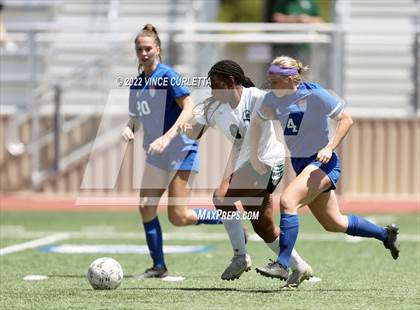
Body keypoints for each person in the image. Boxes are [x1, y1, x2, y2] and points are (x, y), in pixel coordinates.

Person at [250, 56, 400, 286]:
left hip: (323, 162)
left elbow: (346, 120)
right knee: (334, 223)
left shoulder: (315, 94)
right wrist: (254, 155)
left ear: (290, 78)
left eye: (275, 80)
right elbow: (257, 123)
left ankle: (281, 264)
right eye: (269, 80)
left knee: (288, 201)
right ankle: (385, 235)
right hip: (301, 164)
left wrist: (329, 147)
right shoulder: (272, 98)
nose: (270, 85)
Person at [180, 60, 313, 287]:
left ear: (231, 82)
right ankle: (300, 266)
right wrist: (186, 131)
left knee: (221, 196)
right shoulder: (214, 106)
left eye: (215, 84)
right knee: (264, 228)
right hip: (247, 167)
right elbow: (195, 132)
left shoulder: (257, 97)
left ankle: (240, 257)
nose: (212, 89)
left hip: (269, 162)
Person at [121, 24, 223, 279]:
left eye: (147, 48)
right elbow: (135, 117)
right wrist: (128, 128)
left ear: (157, 49)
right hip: (156, 154)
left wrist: (167, 137)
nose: (143, 53)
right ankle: (158, 267)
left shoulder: (168, 76)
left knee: (178, 216)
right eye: (139, 49)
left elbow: (189, 108)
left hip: (180, 149)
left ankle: (228, 219)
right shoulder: (136, 83)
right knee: (146, 206)